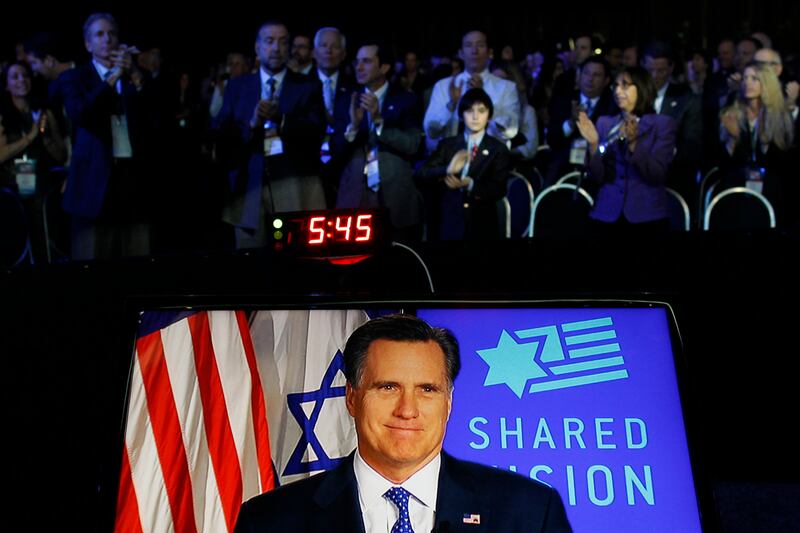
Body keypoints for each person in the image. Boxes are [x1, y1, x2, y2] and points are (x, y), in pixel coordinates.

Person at [234, 313, 572, 532]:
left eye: (427, 389)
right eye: (388, 387)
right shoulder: (269, 520)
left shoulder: (530, 512)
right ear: (351, 397)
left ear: (448, 402)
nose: (407, 410)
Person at [214, 20, 326, 249]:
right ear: (257, 47)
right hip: (248, 188)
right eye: (270, 41)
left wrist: (281, 120)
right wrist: (252, 123)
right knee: (250, 260)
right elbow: (222, 134)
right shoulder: (237, 87)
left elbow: (316, 131)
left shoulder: (307, 86)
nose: (276, 48)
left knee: (294, 257)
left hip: (292, 187)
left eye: (283, 42)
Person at [59, 12, 156, 259]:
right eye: (99, 34)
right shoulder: (75, 78)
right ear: (88, 44)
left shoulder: (135, 76)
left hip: (133, 182)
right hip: (93, 185)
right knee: (92, 258)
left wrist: (134, 74)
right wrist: (112, 77)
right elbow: (82, 114)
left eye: (112, 34)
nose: (107, 39)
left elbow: (155, 117)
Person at [333, 43, 423, 241]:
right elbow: (334, 149)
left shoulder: (406, 99)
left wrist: (379, 122)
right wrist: (353, 128)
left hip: (394, 195)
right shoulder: (347, 99)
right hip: (354, 194)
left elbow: (413, 145)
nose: (359, 67)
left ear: (384, 67)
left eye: (366, 61)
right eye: (357, 62)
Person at [576, 66, 677, 236]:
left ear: (642, 87)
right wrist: (593, 145)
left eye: (625, 85)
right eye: (615, 85)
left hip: (646, 215)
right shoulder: (605, 123)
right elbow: (597, 177)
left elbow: (657, 174)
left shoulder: (662, 124)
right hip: (606, 213)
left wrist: (634, 144)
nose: (617, 91)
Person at [416, 88, 510, 240]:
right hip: (448, 221)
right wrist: (447, 169)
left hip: (481, 224)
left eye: (481, 111)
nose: (475, 117)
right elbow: (421, 173)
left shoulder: (497, 149)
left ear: (489, 115)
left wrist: (471, 184)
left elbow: (499, 188)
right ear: (461, 115)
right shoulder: (447, 145)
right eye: (469, 110)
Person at [717, 61, 794, 226]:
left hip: (771, 191)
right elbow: (724, 163)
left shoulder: (779, 117)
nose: (747, 83)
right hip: (737, 189)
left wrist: (763, 142)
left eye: (754, 78)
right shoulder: (733, 114)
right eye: (745, 78)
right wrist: (734, 139)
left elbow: (781, 163)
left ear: (766, 83)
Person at [423, 30, 519, 153]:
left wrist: (484, 99)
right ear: (461, 53)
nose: (474, 51)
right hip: (451, 158)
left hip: (492, 159)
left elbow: (511, 131)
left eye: (480, 45)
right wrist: (451, 105)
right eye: (468, 45)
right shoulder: (444, 86)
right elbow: (430, 131)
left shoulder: (506, 87)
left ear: (489, 52)